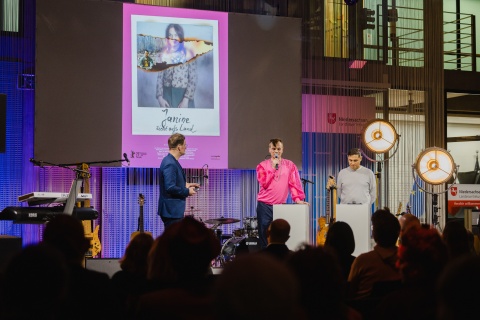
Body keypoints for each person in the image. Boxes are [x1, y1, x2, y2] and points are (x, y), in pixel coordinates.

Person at [256, 138, 307, 249]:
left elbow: (294, 184)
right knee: (264, 234)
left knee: (280, 235)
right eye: (274, 149)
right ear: (269, 150)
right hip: (264, 206)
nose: (276, 151)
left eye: (279, 149)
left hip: (280, 206)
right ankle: (265, 260)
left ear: (282, 150)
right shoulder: (262, 166)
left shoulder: (290, 165)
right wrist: (273, 168)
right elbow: (264, 183)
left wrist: (297, 199)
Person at [158, 133, 200, 229]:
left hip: (173, 211)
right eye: (185, 145)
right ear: (179, 147)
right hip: (171, 212)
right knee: (173, 242)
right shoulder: (170, 163)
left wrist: (187, 185)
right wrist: (187, 191)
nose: (186, 147)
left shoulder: (171, 161)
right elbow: (170, 187)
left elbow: (172, 182)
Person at [156, 23, 197, 108]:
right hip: (167, 98)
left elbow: (193, 78)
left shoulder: (189, 54)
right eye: (170, 35)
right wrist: (160, 98)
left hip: (184, 97)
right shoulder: (163, 54)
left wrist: (186, 100)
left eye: (176, 35)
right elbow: (160, 78)